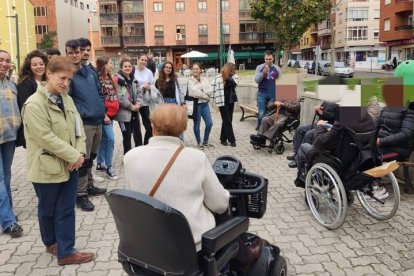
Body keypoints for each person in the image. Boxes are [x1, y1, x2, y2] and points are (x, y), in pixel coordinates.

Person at [124, 104, 230, 251]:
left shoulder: (130, 157)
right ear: (184, 129)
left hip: (146, 244)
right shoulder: (196, 157)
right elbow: (220, 205)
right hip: (191, 247)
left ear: (153, 127)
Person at [22, 56, 94, 265]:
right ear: (49, 74)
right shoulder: (34, 104)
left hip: (70, 166)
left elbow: (79, 130)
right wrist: (73, 156)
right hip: (46, 168)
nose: (66, 83)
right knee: (47, 209)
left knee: (65, 209)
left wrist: (79, 154)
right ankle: (51, 242)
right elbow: (45, 137)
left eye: (69, 80)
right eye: (62, 78)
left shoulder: (67, 100)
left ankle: (66, 251)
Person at [66, 39, 106, 212]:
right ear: (67, 53)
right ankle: (80, 195)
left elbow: (99, 92)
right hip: (84, 123)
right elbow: (67, 101)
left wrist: (101, 107)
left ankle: (89, 186)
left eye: (79, 51)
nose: (76, 54)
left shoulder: (89, 71)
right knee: (83, 160)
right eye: (72, 52)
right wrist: (82, 113)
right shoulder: (67, 74)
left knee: (91, 157)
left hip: (97, 121)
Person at [295, 107, 376, 188]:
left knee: (304, 147)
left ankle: (304, 180)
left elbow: (319, 143)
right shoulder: (369, 119)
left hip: (337, 163)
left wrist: (320, 126)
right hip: (356, 162)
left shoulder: (344, 119)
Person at [0, 49, 23, 238]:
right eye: (0, 60)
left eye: (7, 61)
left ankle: (7, 211)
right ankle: (8, 221)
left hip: (8, 137)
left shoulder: (11, 84)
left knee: (6, 176)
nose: (4, 63)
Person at [287, 101, 337, 168]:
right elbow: (320, 111)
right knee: (300, 129)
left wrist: (322, 112)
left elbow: (336, 117)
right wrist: (317, 110)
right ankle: (297, 153)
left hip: (328, 127)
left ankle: (300, 159)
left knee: (309, 134)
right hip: (319, 123)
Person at [16, 50, 48, 148]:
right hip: (35, 130)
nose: (39, 67)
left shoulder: (49, 81)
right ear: (29, 67)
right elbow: (25, 109)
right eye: (34, 65)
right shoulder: (25, 84)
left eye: (41, 64)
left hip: (49, 127)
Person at [95, 57, 119, 180]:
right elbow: (97, 98)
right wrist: (104, 114)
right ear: (103, 64)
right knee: (110, 139)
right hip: (104, 115)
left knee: (104, 139)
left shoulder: (109, 77)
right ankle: (109, 167)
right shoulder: (97, 79)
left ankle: (100, 162)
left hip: (112, 114)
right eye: (110, 62)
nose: (112, 64)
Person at [113, 57, 143, 154]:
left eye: (129, 66)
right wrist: (131, 106)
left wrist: (138, 103)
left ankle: (139, 154)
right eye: (125, 66)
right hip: (123, 114)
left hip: (135, 112)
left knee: (138, 134)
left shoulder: (133, 78)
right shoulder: (116, 79)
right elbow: (119, 96)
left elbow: (139, 93)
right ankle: (127, 156)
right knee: (127, 136)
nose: (128, 68)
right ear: (121, 68)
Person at [212, 63, 239, 147]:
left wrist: (228, 77)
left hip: (230, 101)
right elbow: (212, 87)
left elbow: (235, 84)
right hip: (222, 102)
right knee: (227, 120)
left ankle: (223, 139)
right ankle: (232, 140)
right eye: (232, 69)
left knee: (228, 120)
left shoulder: (234, 77)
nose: (234, 70)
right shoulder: (218, 78)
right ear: (229, 69)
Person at [188, 63, 213, 149]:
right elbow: (193, 93)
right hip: (196, 105)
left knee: (209, 123)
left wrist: (201, 93)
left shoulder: (204, 79)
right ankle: (199, 142)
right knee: (197, 125)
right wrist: (206, 96)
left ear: (200, 70)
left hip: (205, 104)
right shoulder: (190, 81)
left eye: (197, 69)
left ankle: (205, 141)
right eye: (194, 69)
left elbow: (210, 91)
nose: (195, 70)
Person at [254, 50, 281, 130]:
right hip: (262, 93)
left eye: (270, 59)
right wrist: (263, 73)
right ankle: (259, 130)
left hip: (273, 94)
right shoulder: (259, 67)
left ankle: (269, 130)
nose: (268, 61)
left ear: (273, 59)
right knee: (261, 113)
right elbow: (257, 80)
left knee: (272, 114)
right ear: (264, 59)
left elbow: (280, 82)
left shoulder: (277, 68)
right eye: (266, 59)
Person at [134, 53, 154, 145]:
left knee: (149, 126)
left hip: (145, 102)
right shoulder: (132, 70)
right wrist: (142, 87)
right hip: (135, 102)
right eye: (142, 60)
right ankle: (138, 147)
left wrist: (149, 86)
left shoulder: (149, 72)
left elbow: (152, 85)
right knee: (136, 127)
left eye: (145, 60)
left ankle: (146, 145)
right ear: (137, 60)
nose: (144, 62)